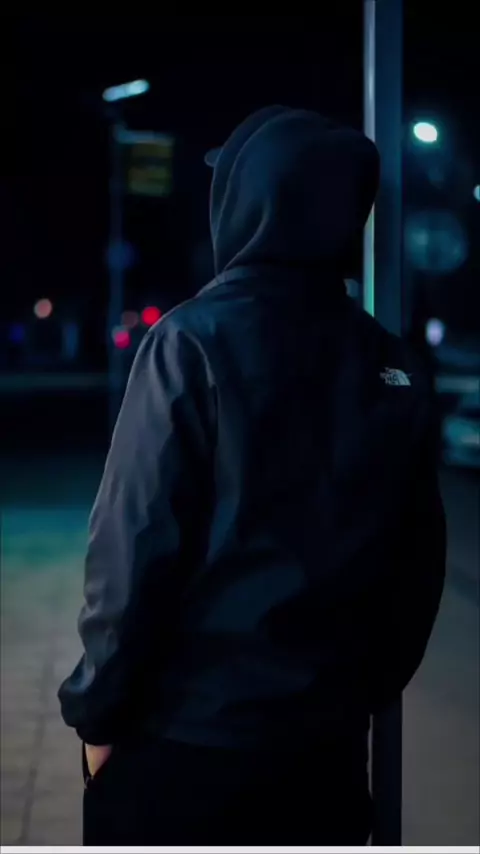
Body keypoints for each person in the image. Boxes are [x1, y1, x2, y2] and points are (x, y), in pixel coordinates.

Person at [58, 106, 446, 846]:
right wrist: (354, 694)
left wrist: (96, 715)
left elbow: (131, 551)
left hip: (181, 749)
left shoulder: (192, 341)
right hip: (324, 758)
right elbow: (418, 565)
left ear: (245, 202)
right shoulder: (389, 361)